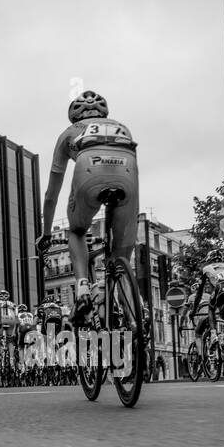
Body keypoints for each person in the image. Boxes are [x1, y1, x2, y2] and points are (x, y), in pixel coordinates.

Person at [40, 90, 139, 319]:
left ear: (74, 116)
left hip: (88, 171)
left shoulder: (68, 133)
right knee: (121, 257)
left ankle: (83, 285)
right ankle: (135, 319)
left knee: (76, 230)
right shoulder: (122, 127)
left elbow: (50, 195)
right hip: (127, 173)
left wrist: (46, 235)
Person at [187, 249, 224, 364]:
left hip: (221, 288)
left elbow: (199, 293)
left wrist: (193, 311)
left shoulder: (207, 268)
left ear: (209, 259)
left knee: (211, 309)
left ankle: (213, 334)